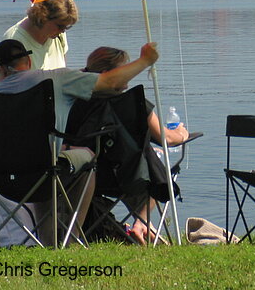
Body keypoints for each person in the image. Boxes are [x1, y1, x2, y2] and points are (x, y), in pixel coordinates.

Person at [0, 38, 159, 245]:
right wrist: (145, 61)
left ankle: (48, 241)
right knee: (86, 158)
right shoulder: (54, 79)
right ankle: (71, 239)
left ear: (0, 69)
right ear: (29, 61)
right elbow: (110, 82)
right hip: (44, 169)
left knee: (51, 164)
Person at [81, 46, 189, 245]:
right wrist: (182, 133)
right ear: (108, 74)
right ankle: (141, 221)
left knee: (146, 158)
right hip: (127, 178)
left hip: (84, 178)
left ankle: (137, 224)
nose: (129, 77)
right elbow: (167, 139)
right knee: (156, 169)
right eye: (125, 71)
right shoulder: (131, 104)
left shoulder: (76, 101)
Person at [2, 0, 79, 70]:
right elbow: (9, 82)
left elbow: (63, 74)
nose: (63, 31)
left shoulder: (59, 36)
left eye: (67, 27)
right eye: (60, 26)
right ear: (43, 16)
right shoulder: (13, 40)